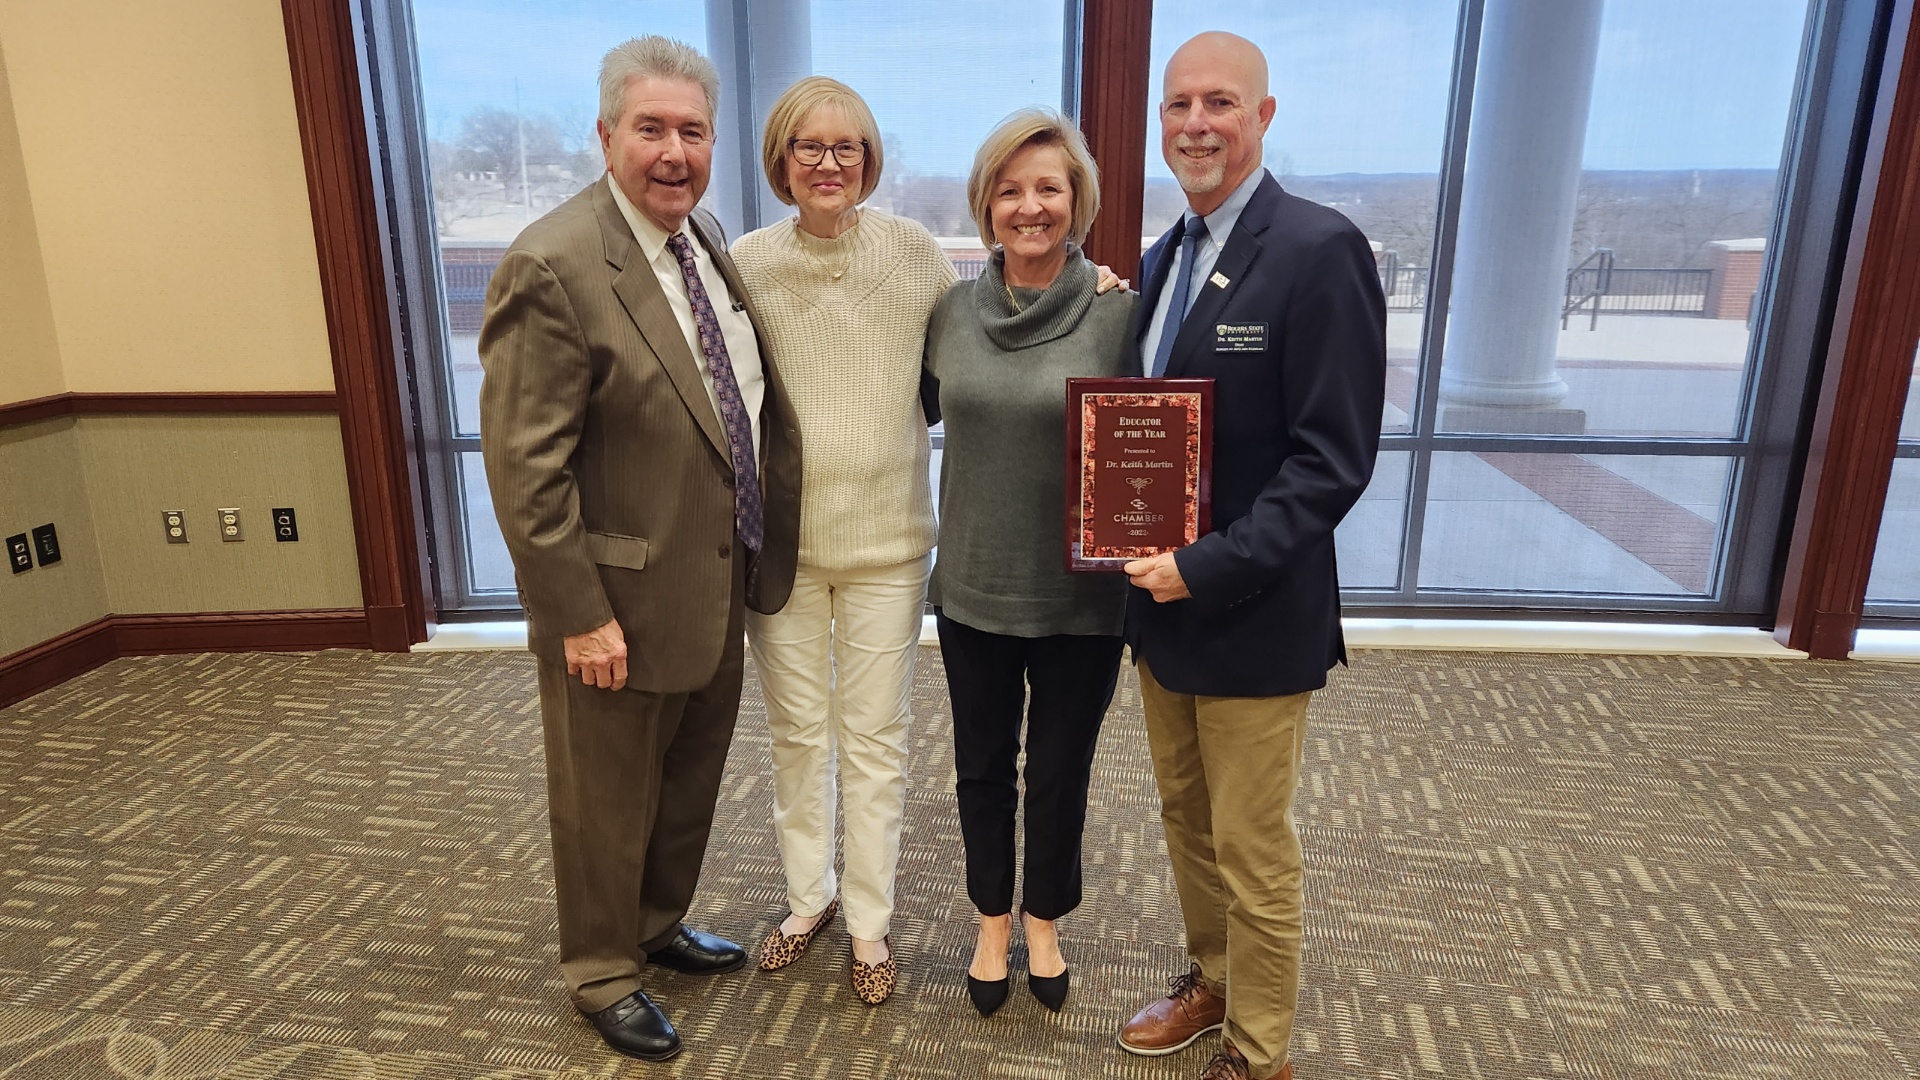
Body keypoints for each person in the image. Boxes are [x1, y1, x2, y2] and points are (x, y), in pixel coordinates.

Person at [477, 35, 800, 1064]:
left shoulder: (699, 237)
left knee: (687, 784)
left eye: (693, 132)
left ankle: (656, 927)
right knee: (605, 801)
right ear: (606, 133)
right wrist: (578, 611)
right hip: (613, 601)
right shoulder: (553, 262)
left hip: (708, 582)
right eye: (651, 129)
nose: (674, 151)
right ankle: (602, 969)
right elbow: (527, 470)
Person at [1115, 32, 1385, 1080]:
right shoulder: (1163, 257)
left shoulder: (1317, 251)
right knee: (1186, 819)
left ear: (1263, 116)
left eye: (1219, 102)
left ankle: (1261, 1049)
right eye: (1179, 104)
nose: (1195, 122)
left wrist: (1208, 564)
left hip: (1253, 611)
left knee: (1253, 844)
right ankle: (1211, 977)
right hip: (1162, 610)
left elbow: (1332, 462)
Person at [728, 76, 955, 1006]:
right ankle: (805, 897)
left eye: (848, 148)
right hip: (779, 548)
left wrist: (1091, 284)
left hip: (888, 548)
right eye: (810, 148)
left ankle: (868, 921)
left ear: (870, 159)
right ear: (782, 160)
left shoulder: (916, 256)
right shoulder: (742, 263)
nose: (830, 164)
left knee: (876, 739)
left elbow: (980, 347)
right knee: (795, 734)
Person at [922, 108, 1135, 1019]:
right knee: (980, 765)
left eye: (1048, 188)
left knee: (1058, 766)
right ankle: (991, 923)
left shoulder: (1121, 312)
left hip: (1080, 597)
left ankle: (1044, 917)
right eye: (1009, 190)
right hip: (972, 582)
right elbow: (913, 412)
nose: (1029, 206)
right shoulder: (948, 314)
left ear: (1075, 199)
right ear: (985, 206)